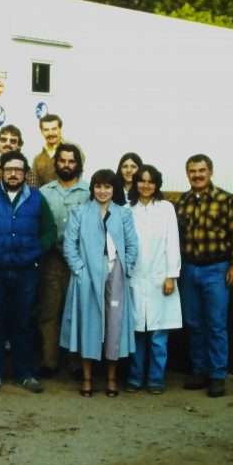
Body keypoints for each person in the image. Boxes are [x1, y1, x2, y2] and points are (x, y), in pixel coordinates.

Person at [0, 151, 55, 393]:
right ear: (1, 170)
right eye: (9, 169)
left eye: (18, 170)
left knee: (24, 322)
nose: (13, 174)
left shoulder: (36, 198)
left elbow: (50, 231)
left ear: (25, 173)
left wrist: (34, 253)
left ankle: (25, 373)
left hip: (26, 271)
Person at [60, 169, 138, 398]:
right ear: (92, 188)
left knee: (114, 325)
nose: (102, 191)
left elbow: (132, 245)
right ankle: (87, 379)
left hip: (116, 272)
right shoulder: (80, 213)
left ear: (114, 189)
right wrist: (79, 270)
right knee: (89, 324)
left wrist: (126, 268)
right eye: (98, 186)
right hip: (87, 276)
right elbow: (69, 245)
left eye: (108, 187)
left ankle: (112, 379)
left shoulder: (123, 214)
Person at [175, 154, 233, 397]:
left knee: (215, 323)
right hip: (189, 268)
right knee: (194, 323)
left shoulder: (226, 200)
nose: (197, 175)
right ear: (188, 174)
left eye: (201, 170)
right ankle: (199, 370)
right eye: (193, 171)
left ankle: (217, 374)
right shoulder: (183, 201)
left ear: (210, 172)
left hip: (216, 269)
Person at [126, 165, 182, 394]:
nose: (146, 185)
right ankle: (135, 377)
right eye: (141, 181)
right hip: (135, 279)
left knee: (159, 335)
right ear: (135, 183)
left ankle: (156, 379)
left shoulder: (166, 208)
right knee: (137, 333)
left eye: (150, 181)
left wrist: (171, 275)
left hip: (160, 279)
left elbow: (172, 242)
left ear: (157, 184)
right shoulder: (127, 209)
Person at [37, 144, 91, 377]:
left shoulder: (89, 192)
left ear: (78, 165)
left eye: (71, 161)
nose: (67, 165)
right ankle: (49, 362)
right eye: (63, 161)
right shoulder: (44, 192)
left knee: (78, 311)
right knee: (49, 311)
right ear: (56, 163)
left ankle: (76, 363)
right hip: (52, 260)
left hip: (81, 260)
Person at [32, 114, 83, 186]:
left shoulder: (75, 151)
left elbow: (78, 177)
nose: (50, 133)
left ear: (60, 129)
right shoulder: (37, 159)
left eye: (54, 129)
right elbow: (34, 186)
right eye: (46, 130)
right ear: (41, 131)